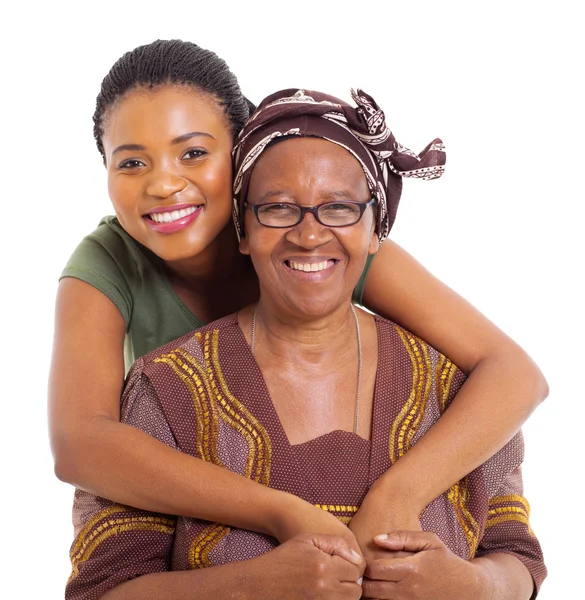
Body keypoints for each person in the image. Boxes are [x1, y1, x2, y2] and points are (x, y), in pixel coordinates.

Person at [49, 39, 548, 553]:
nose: (163, 184)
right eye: (131, 163)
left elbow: (513, 374)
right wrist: (280, 511)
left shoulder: (311, 240)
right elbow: (78, 445)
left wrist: (398, 496)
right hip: (200, 518)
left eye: (193, 153)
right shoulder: (106, 263)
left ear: (244, 152)